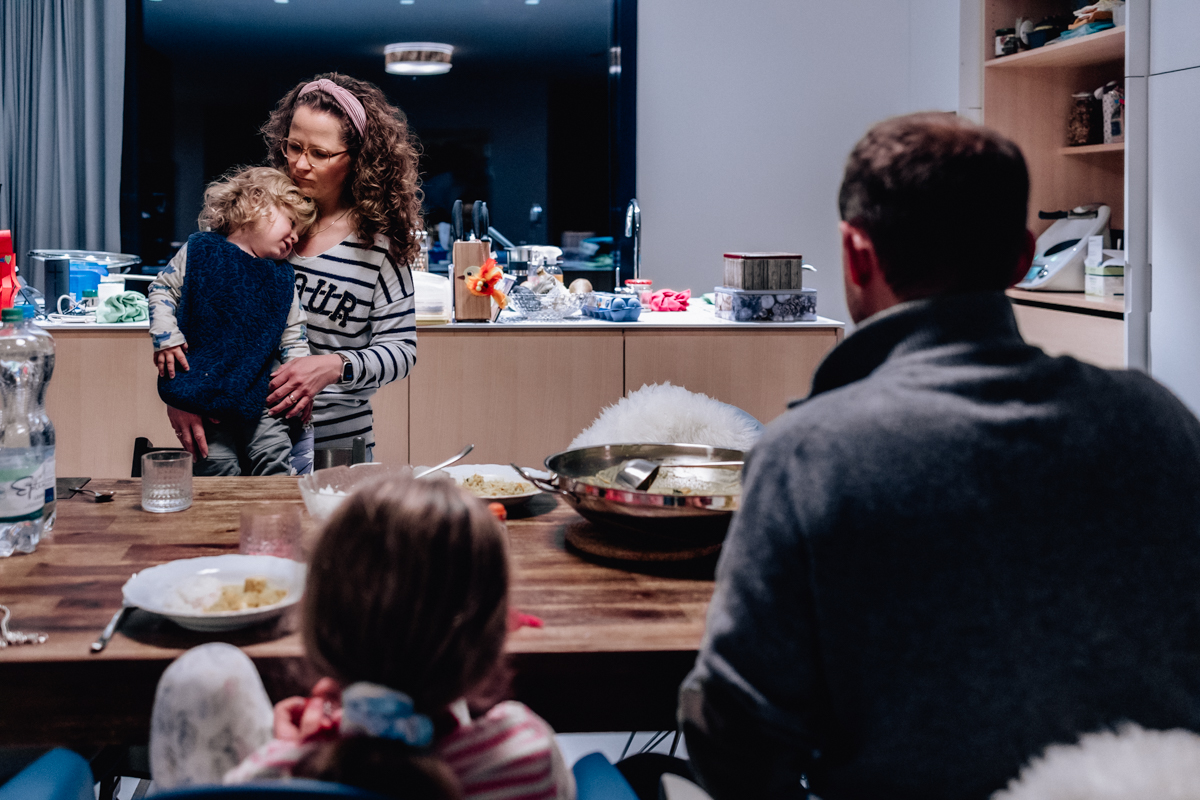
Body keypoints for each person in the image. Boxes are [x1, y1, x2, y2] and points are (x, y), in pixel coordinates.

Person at [679, 113, 1200, 799]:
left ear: (855, 254)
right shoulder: (1159, 421)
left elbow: (738, 740)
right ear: (1023, 256)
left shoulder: (806, 457)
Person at [149, 475, 576, 800]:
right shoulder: (527, 754)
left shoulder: (271, 775)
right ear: (493, 639)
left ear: (316, 631)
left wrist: (285, 750)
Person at [167, 73, 422, 461]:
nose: (300, 164)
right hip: (234, 437)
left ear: (358, 160)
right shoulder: (248, 222)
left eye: (319, 153)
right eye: (294, 146)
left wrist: (333, 366)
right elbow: (191, 315)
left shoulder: (378, 247)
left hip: (337, 447)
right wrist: (180, 394)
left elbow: (401, 351)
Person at [148, 166, 316, 476]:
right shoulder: (200, 251)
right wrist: (166, 337)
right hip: (205, 388)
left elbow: (294, 333)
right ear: (256, 202)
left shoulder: (282, 276)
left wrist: (299, 384)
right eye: (292, 223)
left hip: (263, 393)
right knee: (216, 465)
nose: (295, 237)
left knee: (273, 457)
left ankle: (275, 509)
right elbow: (162, 290)